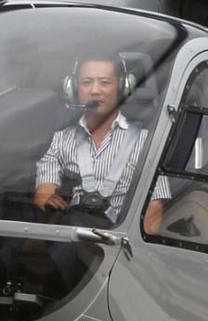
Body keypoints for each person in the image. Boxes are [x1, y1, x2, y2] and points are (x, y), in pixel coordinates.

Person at [34, 56, 167, 234]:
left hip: (119, 241)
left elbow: (154, 208)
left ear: (122, 87)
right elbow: (44, 193)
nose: (95, 91)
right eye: (87, 82)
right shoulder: (59, 141)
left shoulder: (146, 143)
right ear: (74, 88)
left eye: (104, 83)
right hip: (69, 235)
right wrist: (51, 203)